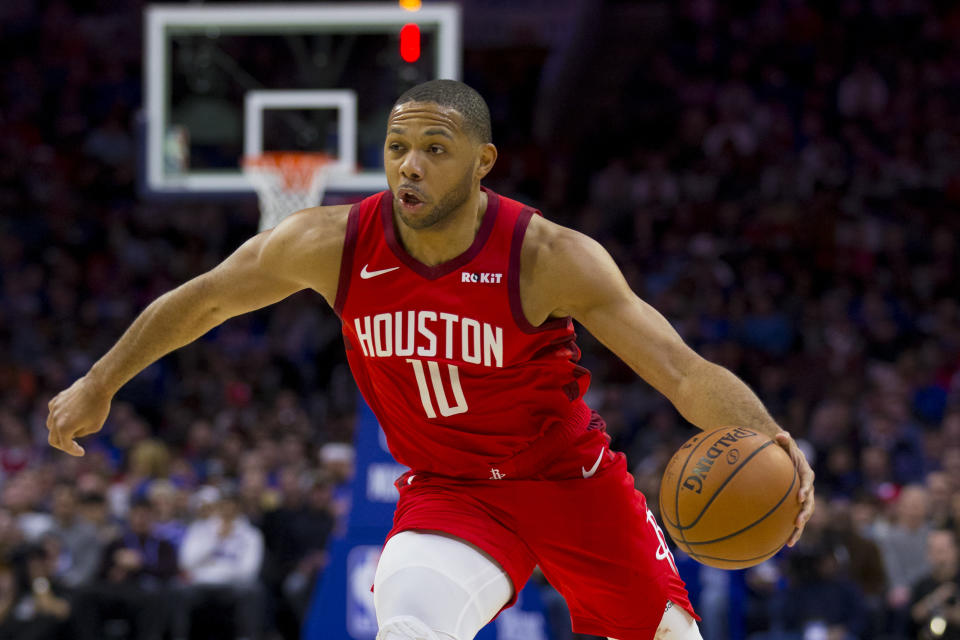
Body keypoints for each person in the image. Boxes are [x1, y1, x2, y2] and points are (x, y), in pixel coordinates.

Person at [45, 79, 814, 640]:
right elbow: (203, 300)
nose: (409, 165)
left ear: (483, 162)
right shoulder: (329, 243)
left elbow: (680, 371)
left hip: (567, 482)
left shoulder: (547, 257)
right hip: (450, 491)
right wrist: (100, 379)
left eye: (434, 150)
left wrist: (773, 440)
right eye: (397, 147)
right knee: (409, 626)